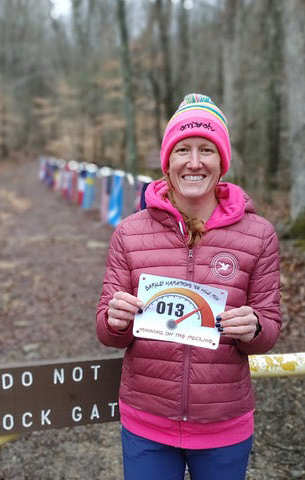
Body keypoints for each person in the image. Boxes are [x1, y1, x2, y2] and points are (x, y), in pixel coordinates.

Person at [96, 93, 281, 480]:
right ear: (167, 161)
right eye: (183, 149)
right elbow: (107, 333)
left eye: (207, 150)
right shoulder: (129, 233)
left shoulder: (259, 234)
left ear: (222, 162)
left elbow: (268, 329)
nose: (194, 162)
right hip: (147, 421)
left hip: (224, 423)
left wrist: (255, 328)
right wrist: (115, 319)